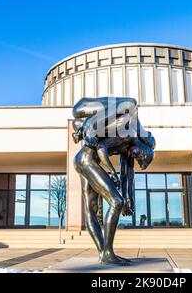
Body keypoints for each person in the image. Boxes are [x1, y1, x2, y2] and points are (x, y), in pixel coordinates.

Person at [72, 97, 155, 265]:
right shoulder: (128, 133)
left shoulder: (128, 148)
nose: (136, 156)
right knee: (116, 202)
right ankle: (108, 253)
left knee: (92, 209)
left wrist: (129, 201)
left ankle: (104, 253)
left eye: (138, 159)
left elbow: (128, 176)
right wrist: (112, 173)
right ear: (144, 148)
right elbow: (101, 148)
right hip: (87, 160)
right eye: (140, 155)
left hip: (85, 160)